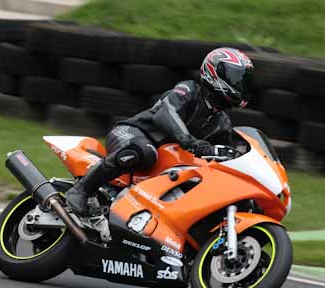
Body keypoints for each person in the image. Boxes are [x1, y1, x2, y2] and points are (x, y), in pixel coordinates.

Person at [65, 47, 255, 216]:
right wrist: (190, 142)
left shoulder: (221, 122)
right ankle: (81, 190)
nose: (241, 85)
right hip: (132, 133)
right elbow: (165, 113)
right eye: (237, 78)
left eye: (244, 80)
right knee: (145, 152)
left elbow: (231, 159)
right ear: (216, 73)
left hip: (166, 162)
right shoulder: (189, 90)